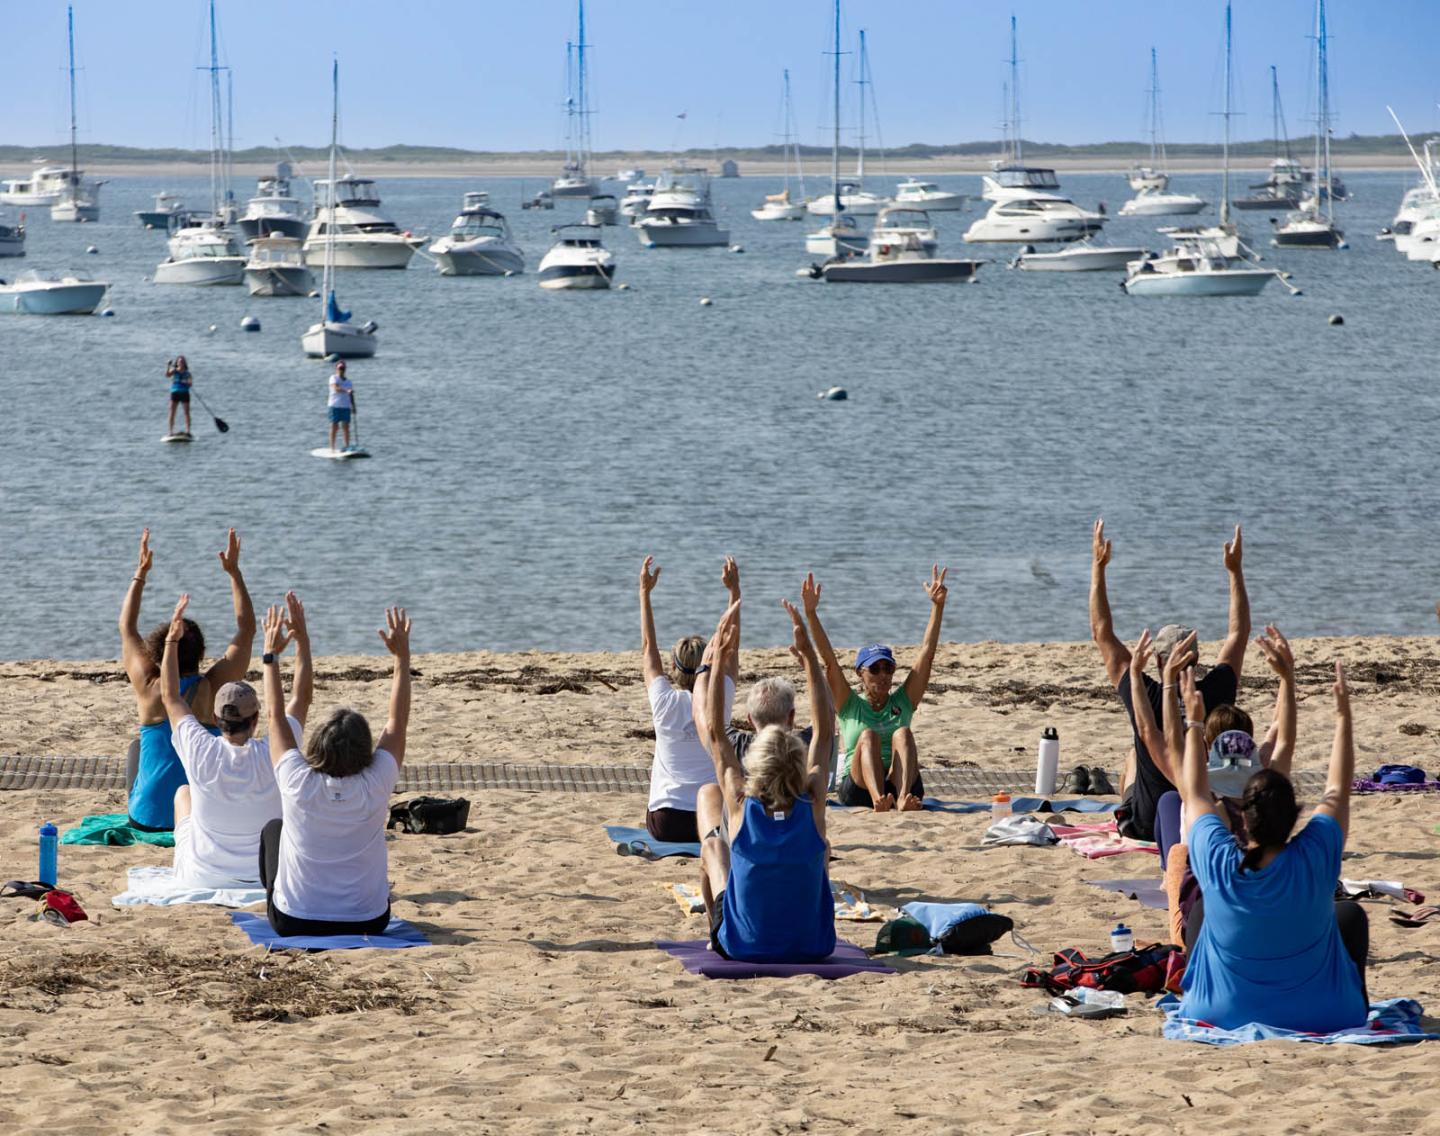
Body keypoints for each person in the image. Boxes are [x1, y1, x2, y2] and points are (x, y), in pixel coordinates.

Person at [1175, 659, 1369, 1032]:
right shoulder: (1316, 854)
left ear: (1245, 819)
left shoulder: (1218, 860)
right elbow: (1336, 790)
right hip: (1326, 1013)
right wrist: (1343, 715)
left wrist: (1194, 722)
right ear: (1293, 816)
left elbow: (1196, 791)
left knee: (1200, 911)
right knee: (1351, 916)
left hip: (1218, 1012)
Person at [693, 597, 836, 962]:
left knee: (713, 849)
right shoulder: (813, 796)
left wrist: (718, 662)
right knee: (825, 847)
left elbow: (715, 732)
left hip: (743, 947)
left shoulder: (740, 803)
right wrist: (808, 660)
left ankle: (714, 931)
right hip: (815, 948)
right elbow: (824, 730)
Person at [1089, 519, 1250, 839]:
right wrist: (1234, 571)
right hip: (1201, 819)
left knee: (1135, 754)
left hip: (1150, 824)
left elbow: (1101, 633)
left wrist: (1098, 569)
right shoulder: (1216, 691)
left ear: (1159, 660)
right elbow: (1238, 634)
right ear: (1198, 659)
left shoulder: (1145, 695)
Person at [259, 604, 412, 937]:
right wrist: (402, 659)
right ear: (364, 748)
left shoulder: (297, 779)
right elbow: (397, 722)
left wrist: (270, 655)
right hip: (369, 920)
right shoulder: (377, 780)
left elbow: (275, 717)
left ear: (316, 744)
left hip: (293, 920)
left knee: (274, 829)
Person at [159, 591, 313, 887]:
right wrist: (300, 639)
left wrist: (171, 640)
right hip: (267, 874)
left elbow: (170, 696)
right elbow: (301, 698)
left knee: (182, 794)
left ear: (216, 720)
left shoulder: (200, 747)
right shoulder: (275, 750)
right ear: (257, 720)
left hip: (203, 877)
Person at [120, 527, 256, 831]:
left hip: (146, 820)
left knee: (136, 749)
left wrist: (140, 572)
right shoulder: (213, 687)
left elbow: (127, 627)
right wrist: (234, 572)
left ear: (157, 652)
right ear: (201, 653)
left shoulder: (149, 688)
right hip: (199, 817)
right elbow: (246, 630)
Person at [805, 566, 948, 812]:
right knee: (868, 736)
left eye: (888, 669)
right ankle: (877, 799)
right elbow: (828, 661)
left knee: (903, 733)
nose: (883, 676)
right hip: (859, 788)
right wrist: (810, 613)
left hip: (900, 783)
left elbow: (927, 655)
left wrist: (937, 607)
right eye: (875, 670)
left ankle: (902, 798)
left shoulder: (902, 701)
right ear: (860, 674)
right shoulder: (849, 704)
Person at [637, 555, 738, 844]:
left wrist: (644, 592)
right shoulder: (721, 699)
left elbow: (647, 649)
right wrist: (734, 592)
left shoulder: (664, 700)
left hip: (666, 822)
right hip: (710, 818)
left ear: (673, 668)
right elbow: (732, 647)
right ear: (710, 665)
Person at [328, 360, 355, 452]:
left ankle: (347, 446)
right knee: (334, 427)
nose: (341, 370)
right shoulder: (333, 378)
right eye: (340, 368)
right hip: (334, 406)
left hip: (345, 407)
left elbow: (351, 395)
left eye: (343, 368)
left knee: (346, 427)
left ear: (345, 369)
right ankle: (332, 448)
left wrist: (353, 406)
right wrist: (346, 391)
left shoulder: (349, 382)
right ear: (336, 369)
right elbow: (336, 388)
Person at [167, 356, 193, 437]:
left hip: (184, 393)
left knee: (187, 412)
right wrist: (168, 366)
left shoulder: (187, 373)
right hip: (175, 393)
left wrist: (186, 382)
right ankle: (170, 432)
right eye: (179, 361)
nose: (180, 363)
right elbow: (167, 375)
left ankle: (188, 431)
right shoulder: (174, 371)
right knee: (172, 412)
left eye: (182, 362)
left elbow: (190, 384)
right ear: (177, 363)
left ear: (184, 363)